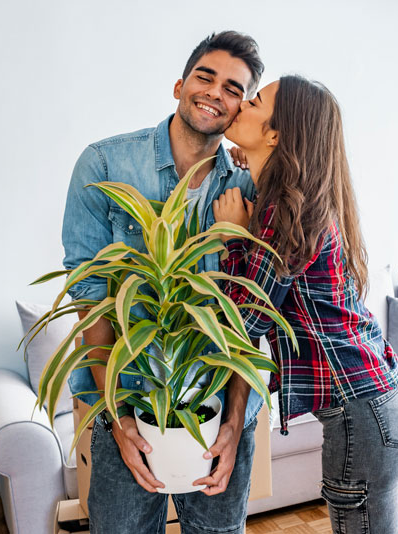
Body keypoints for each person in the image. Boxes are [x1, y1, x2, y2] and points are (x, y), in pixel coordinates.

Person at [62, 31, 265, 534]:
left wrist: (236, 419)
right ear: (179, 85)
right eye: (205, 76)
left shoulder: (248, 181)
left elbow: (250, 313)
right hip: (126, 399)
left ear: (241, 110)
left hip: (220, 401)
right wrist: (117, 418)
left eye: (234, 89)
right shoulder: (105, 166)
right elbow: (91, 298)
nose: (216, 92)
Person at [212, 76, 398, 534]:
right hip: (383, 403)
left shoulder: (282, 212)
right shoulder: (300, 201)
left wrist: (231, 239)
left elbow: (247, 319)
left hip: (362, 419)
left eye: (255, 101)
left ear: (275, 134)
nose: (241, 103)